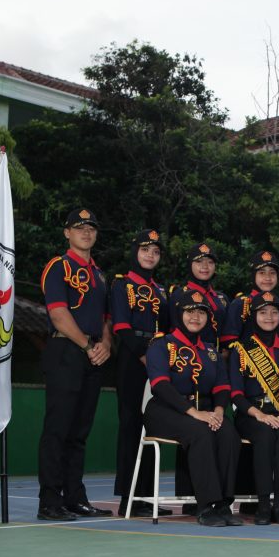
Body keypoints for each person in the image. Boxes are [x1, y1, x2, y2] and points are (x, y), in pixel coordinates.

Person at [36, 208, 114, 521]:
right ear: (67, 233)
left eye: (91, 228)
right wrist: (88, 345)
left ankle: (74, 498)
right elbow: (58, 314)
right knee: (58, 429)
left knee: (80, 432)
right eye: (79, 228)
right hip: (66, 351)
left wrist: (105, 344)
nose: (86, 232)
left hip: (92, 354)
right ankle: (49, 501)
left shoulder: (100, 275)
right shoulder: (59, 266)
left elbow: (106, 318)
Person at [144, 289, 241, 527]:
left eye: (201, 312)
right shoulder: (162, 345)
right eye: (190, 312)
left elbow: (222, 386)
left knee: (229, 433)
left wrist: (219, 412)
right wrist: (195, 413)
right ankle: (205, 506)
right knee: (200, 432)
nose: (195, 317)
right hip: (166, 411)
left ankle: (224, 504)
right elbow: (161, 386)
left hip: (206, 411)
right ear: (179, 314)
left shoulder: (211, 351)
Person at [110, 229, 172, 518]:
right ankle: (128, 497)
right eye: (145, 249)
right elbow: (121, 327)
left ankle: (147, 496)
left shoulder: (162, 291)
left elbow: (169, 331)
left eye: (156, 251)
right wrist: (147, 357)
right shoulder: (122, 285)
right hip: (133, 360)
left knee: (154, 427)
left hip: (158, 359)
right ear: (135, 251)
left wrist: (160, 359)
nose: (150, 255)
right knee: (131, 426)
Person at [230, 292, 279, 525]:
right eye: (263, 312)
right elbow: (236, 394)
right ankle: (263, 505)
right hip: (251, 415)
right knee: (264, 434)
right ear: (254, 316)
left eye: (274, 312)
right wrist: (260, 415)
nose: (269, 317)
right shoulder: (241, 350)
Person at [222, 250, 279, 347]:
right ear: (253, 275)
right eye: (262, 273)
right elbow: (228, 345)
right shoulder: (241, 304)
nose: (268, 278)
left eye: (272, 273)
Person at [169, 243, 229, 350]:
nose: (205, 266)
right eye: (199, 261)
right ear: (190, 264)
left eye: (210, 262)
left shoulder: (222, 298)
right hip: (187, 353)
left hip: (216, 355)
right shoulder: (179, 295)